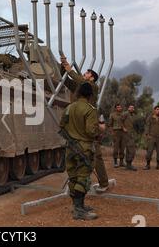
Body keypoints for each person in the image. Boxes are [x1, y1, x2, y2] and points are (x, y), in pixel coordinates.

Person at [60, 56, 109, 193]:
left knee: (96, 154)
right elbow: (65, 81)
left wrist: (70, 70)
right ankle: (77, 183)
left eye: (87, 73)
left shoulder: (93, 87)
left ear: (92, 78)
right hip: (76, 122)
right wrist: (63, 66)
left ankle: (103, 182)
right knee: (74, 153)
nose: (84, 74)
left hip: (88, 122)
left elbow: (80, 80)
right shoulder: (79, 87)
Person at [60, 83, 104, 220]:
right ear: (90, 95)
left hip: (70, 148)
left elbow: (61, 126)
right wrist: (100, 130)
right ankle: (79, 211)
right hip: (84, 148)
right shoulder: (90, 109)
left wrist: (71, 138)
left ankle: (78, 206)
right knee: (83, 179)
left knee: (73, 177)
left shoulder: (69, 107)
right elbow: (91, 131)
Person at [144, 106, 159, 170]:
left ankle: (158, 165)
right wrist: (147, 134)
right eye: (157, 109)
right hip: (152, 136)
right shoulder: (150, 117)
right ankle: (147, 165)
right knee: (149, 151)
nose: (158, 111)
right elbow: (147, 126)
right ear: (154, 110)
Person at [122, 105, 138, 171]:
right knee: (132, 150)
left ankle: (128, 165)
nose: (131, 108)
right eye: (130, 107)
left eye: (133, 108)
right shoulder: (125, 114)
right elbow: (120, 120)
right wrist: (123, 128)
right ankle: (129, 164)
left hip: (132, 134)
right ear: (128, 108)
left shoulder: (133, 115)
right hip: (126, 134)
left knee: (129, 149)